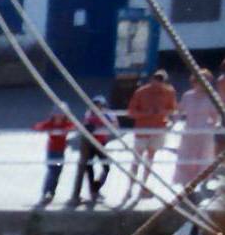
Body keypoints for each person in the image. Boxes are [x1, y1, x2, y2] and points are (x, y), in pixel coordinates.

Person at [125, 69, 178, 203]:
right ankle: (130, 187)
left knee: (150, 159)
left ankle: (143, 185)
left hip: (158, 129)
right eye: (156, 79)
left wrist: (163, 112)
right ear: (151, 79)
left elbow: (173, 109)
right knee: (136, 159)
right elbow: (131, 112)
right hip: (142, 129)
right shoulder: (141, 92)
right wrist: (146, 113)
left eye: (161, 81)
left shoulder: (169, 92)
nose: (158, 83)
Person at [174, 75, 221, 185]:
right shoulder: (187, 95)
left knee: (203, 157)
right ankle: (185, 183)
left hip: (204, 132)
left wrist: (214, 125)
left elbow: (215, 117)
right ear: (194, 82)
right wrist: (173, 123)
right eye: (198, 81)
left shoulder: (212, 97)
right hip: (189, 131)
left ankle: (200, 183)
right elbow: (179, 112)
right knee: (186, 157)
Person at [71, 105, 116, 207]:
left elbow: (114, 126)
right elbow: (85, 125)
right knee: (89, 168)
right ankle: (91, 192)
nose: (98, 108)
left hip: (101, 145)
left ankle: (95, 188)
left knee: (106, 167)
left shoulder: (108, 115)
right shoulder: (89, 115)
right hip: (89, 146)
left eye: (100, 106)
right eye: (96, 105)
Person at [30, 106, 75, 207]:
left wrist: (67, 129)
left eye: (61, 114)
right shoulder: (50, 123)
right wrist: (45, 129)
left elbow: (74, 125)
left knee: (58, 171)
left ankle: (52, 192)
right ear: (53, 114)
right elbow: (36, 126)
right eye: (57, 114)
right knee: (51, 171)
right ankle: (45, 192)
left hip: (61, 152)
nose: (59, 116)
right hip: (52, 151)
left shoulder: (65, 124)